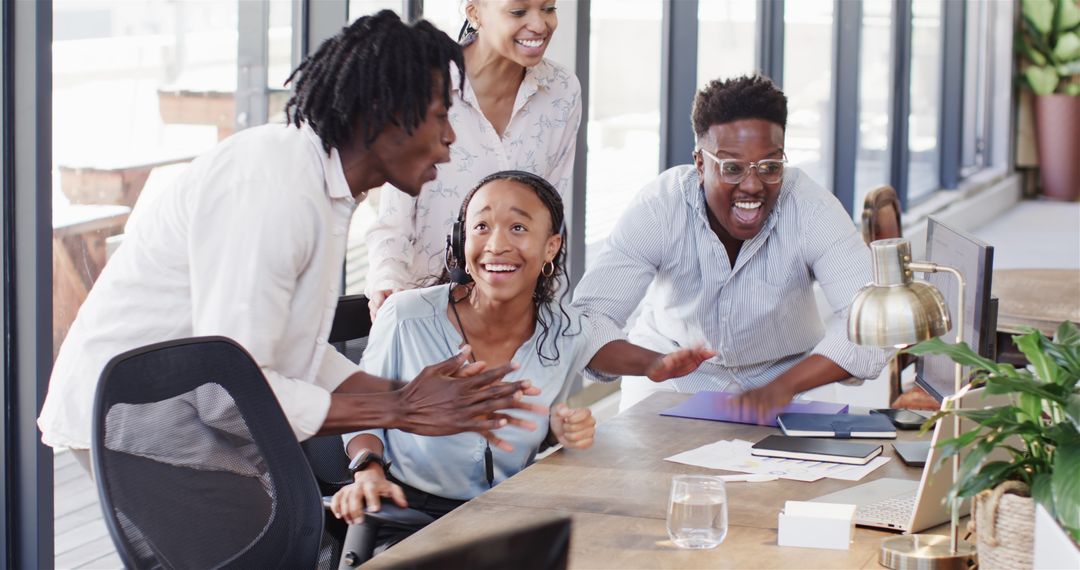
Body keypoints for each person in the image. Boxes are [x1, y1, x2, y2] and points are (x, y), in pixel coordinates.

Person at [38, 12, 544, 473]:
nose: (451, 138)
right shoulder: (275, 187)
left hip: (185, 409)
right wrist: (399, 407)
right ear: (381, 113)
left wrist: (408, 394)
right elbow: (227, 392)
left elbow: (289, 348)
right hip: (136, 419)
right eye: (439, 116)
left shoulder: (322, 188)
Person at [329, 171, 713, 550]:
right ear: (462, 241)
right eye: (481, 227)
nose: (496, 244)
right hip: (407, 518)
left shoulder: (565, 331)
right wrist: (367, 471)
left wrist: (561, 427)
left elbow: (601, 350)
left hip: (510, 518)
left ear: (550, 247)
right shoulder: (405, 317)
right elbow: (365, 412)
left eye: (518, 228)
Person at [572, 75, 891, 417]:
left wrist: (784, 386)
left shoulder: (811, 207)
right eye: (732, 168)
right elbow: (588, 321)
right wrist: (653, 363)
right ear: (700, 163)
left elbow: (875, 321)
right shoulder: (659, 208)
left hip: (789, 381)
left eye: (769, 166)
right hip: (674, 378)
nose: (752, 185)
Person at [364, 0, 581, 319]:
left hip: (518, 317)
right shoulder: (424, 84)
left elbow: (550, 217)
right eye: (518, 12)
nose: (539, 25)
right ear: (475, 12)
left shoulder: (562, 91)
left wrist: (547, 319)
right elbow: (392, 220)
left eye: (549, 8)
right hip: (424, 314)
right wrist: (388, 284)